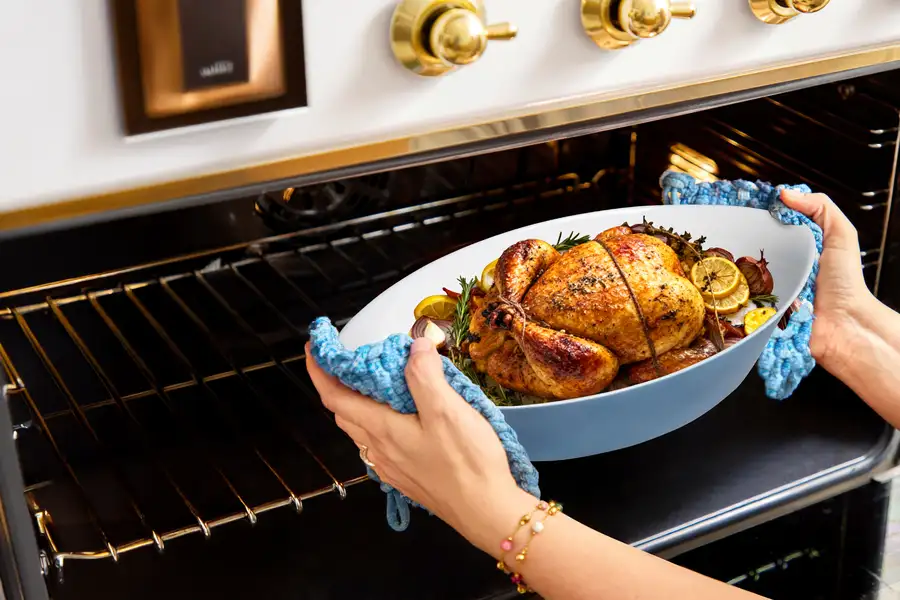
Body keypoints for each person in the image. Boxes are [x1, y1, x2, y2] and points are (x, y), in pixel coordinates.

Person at [305, 189, 900, 599]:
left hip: (617, 285)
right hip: (602, 274)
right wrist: (853, 327)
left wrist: (488, 509)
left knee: (591, 361)